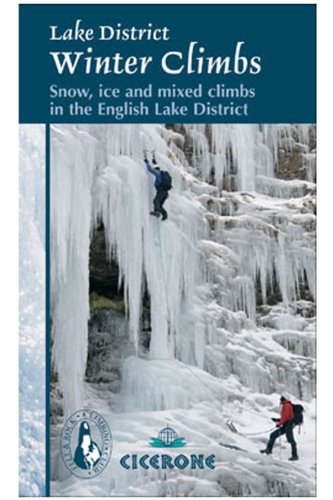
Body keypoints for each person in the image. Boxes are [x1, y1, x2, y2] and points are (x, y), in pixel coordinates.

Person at [260, 394, 299, 461]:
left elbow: (286, 416)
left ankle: (295, 455)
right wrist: (277, 420)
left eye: (281, 398)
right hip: (286, 425)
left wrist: (280, 423)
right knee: (273, 435)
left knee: (290, 440)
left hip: (288, 425)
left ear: (284, 398)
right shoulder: (286, 405)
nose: (280, 399)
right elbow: (285, 417)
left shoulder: (287, 405)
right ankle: (268, 450)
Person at [144, 154, 171, 221]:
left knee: (156, 201)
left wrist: (147, 163)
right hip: (165, 193)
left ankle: (157, 212)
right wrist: (154, 162)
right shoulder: (162, 173)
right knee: (160, 205)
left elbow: (150, 169)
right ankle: (164, 214)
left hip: (161, 191)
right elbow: (156, 167)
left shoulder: (158, 173)